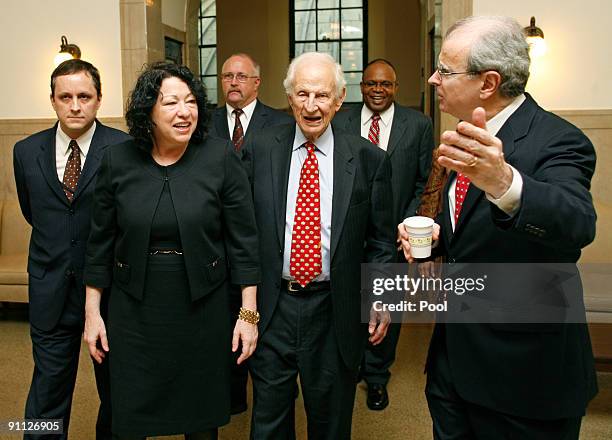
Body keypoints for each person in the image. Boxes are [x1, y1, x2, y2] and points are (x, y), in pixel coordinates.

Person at [398, 16, 598, 439]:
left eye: (445, 70)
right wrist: (438, 238)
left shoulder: (560, 139)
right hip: (454, 368)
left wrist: (503, 182)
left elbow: (577, 223)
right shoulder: (470, 133)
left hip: (524, 377)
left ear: (487, 83)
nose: (433, 79)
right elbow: (472, 229)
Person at [83, 62, 260, 440]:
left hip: (203, 310)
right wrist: (93, 313)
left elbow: (244, 241)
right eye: (172, 103)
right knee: (128, 417)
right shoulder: (117, 161)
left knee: (200, 420)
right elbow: (99, 242)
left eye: (191, 101)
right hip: (133, 312)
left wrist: (248, 314)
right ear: (148, 111)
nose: (185, 112)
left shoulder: (220, 157)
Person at [244, 51, 396, 439]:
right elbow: (241, 231)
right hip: (272, 307)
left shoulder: (368, 159)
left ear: (340, 99)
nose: (312, 106)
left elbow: (380, 240)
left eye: (322, 96)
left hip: (334, 310)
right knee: (268, 423)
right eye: (302, 94)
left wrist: (378, 296)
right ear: (289, 97)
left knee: (330, 424)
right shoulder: (258, 149)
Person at [13, 59, 129, 440]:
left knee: (116, 392)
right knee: (47, 390)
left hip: (111, 292)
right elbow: (35, 213)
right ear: (52, 100)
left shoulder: (124, 148)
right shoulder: (26, 151)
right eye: (66, 97)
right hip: (50, 289)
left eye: (84, 96)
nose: (75, 105)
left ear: (98, 100)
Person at [334, 58, 434, 410]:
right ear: (361, 87)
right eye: (371, 84)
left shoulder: (419, 124)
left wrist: (408, 225)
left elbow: (425, 182)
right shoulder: (341, 119)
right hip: (345, 234)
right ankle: (350, 365)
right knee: (348, 304)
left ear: (396, 88)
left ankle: (376, 376)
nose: (378, 90)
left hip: (393, 235)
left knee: (386, 306)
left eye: (386, 84)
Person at [210, 52, 292, 415]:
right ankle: (231, 395)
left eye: (242, 76)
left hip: (262, 237)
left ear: (257, 83)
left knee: (257, 313)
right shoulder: (204, 121)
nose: (233, 82)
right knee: (224, 319)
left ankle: (264, 392)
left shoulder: (280, 122)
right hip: (214, 238)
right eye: (227, 76)